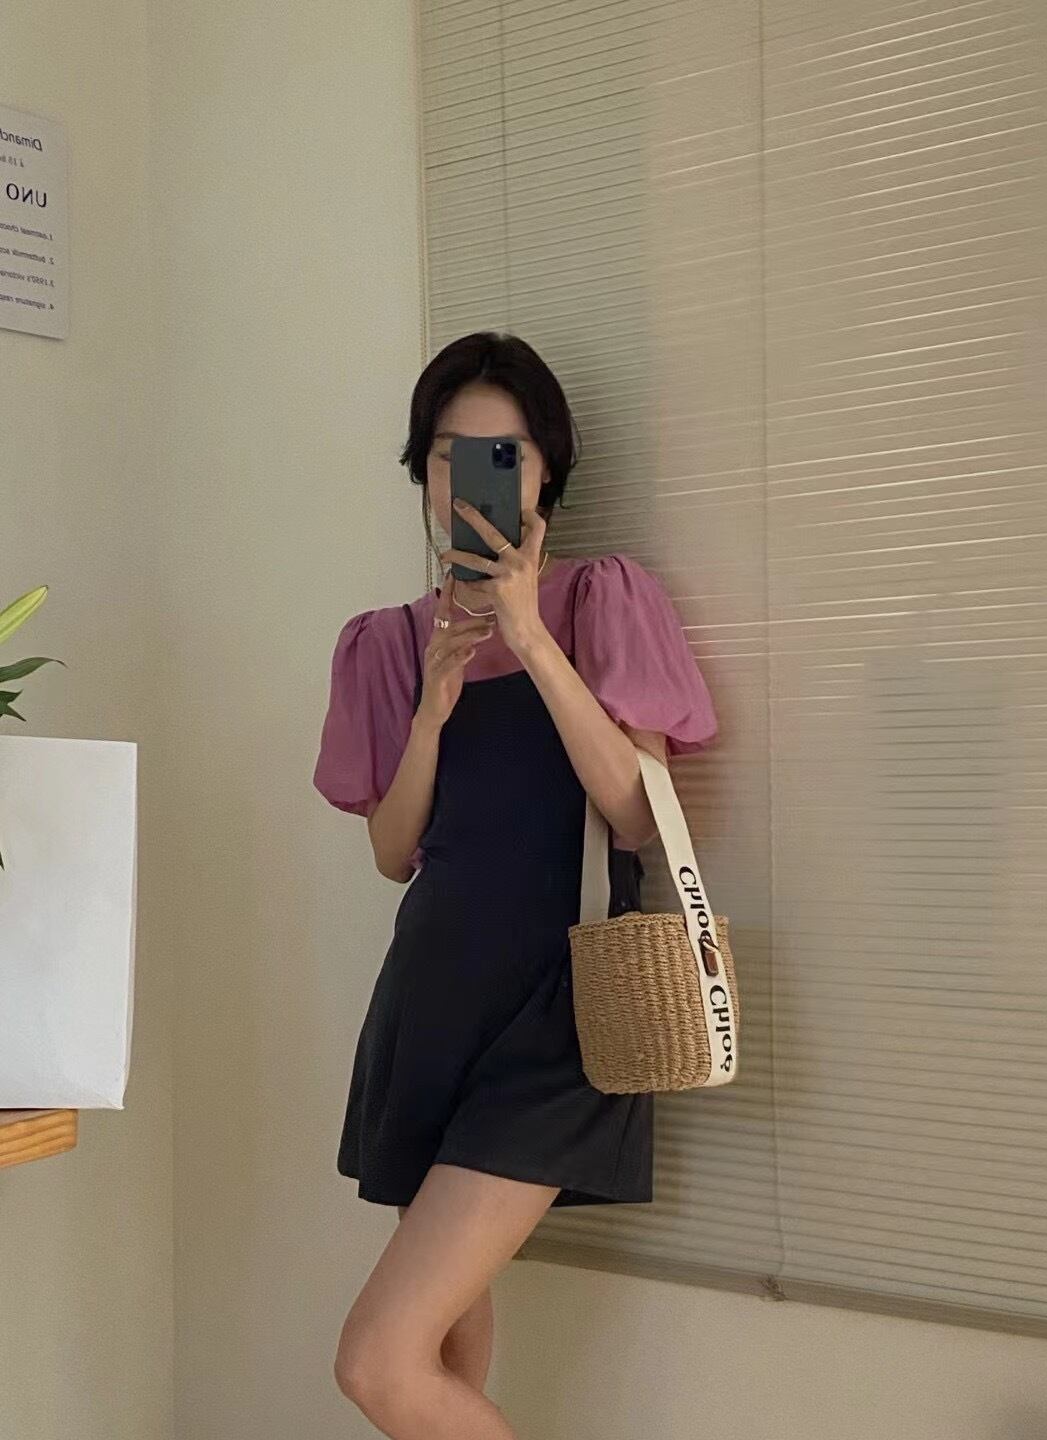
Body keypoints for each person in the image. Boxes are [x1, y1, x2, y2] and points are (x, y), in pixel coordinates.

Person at [313, 331, 717, 1439]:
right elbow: (394, 851)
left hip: (562, 1013)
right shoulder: (387, 644)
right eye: (451, 454)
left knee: (378, 1364)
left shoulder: (603, 602)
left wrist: (532, 641)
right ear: (421, 473)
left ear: (546, 476)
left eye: (506, 455)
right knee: (442, 1359)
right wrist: (433, 710)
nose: (475, 477)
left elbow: (637, 814)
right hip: (433, 1000)